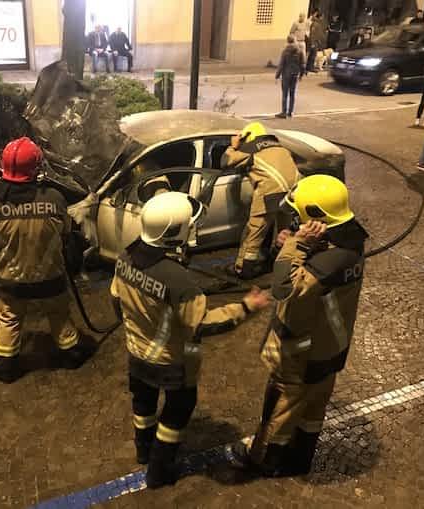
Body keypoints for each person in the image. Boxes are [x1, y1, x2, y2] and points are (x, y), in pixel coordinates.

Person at [110, 191, 270, 488]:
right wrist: (246, 307)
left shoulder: (125, 257)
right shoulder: (177, 279)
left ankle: (143, 450)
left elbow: (116, 301)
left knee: (143, 404)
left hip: (136, 353)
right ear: (174, 232)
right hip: (171, 362)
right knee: (177, 412)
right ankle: (159, 472)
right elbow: (203, 323)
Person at [229, 175, 369, 477]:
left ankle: (264, 459)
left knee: (281, 406)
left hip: (302, 352)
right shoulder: (350, 243)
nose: (296, 220)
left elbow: (284, 289)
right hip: (331, 347)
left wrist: (294, 245)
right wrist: (297, 244)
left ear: (317, 217)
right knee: (314, 406)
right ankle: (300, 459)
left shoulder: (325, 265)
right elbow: (322, 263)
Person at [0, 137, 94, 383]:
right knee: (59, 314)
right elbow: (65, 233)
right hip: (50, 277)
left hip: (10, 280)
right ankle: (72, 354)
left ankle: (5, 367)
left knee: (8, 319)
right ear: (37, 167)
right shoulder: (55, 198)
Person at [221, 122, 300, 279]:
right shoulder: (281, 148)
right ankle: (282, 263)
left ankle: (243, 269)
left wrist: (233, 147)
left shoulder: (250, 149)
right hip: (292, 194)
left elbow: (225, 162)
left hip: (270, 195)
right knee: (285, 231)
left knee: (254, 232)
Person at [276, 36, 305, 118]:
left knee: (285, 94)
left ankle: (284, 112)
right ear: (295, 41)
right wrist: (301, 75)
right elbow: (303, 64)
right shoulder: (300, 51)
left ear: (288, 41)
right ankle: (291, 112)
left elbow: (281, 64)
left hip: (286, 75)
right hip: (295, 74)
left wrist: (277, 75)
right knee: (292, 94)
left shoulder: (285, 51)